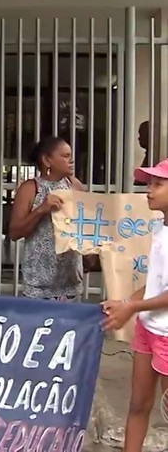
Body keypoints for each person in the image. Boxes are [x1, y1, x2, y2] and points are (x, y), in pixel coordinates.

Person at [101, 159, 168, 452]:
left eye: (158, 184)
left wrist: (132, 309)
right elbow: (156, 285)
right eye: (148, 183)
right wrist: (127, 302)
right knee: (138, 404)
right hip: (147, 329)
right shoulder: (160, 230)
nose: (148, 191)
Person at [8, 136, 84, 301]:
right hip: (38, 283)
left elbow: (85, 225)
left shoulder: (75, 186)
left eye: (71, 155)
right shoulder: (30, 188)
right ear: (47, 160)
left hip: (70, 281)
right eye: (65, 156)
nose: (71, 161)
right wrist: (41, 210)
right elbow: (14, 232)